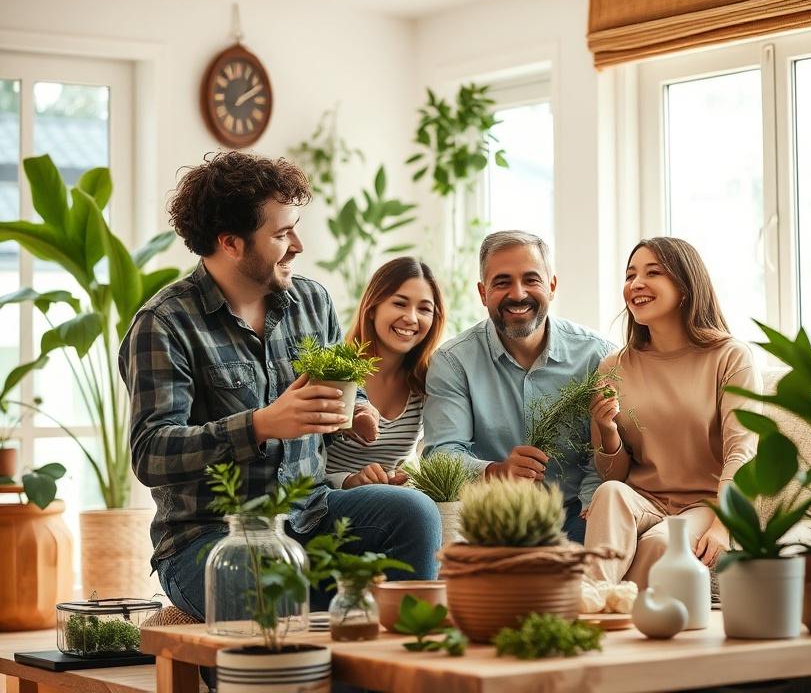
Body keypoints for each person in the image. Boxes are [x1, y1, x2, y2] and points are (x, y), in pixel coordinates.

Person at [119, 151, 441, 621]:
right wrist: (259, 425)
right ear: (231, 243)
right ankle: (316, 631)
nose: (298, 245)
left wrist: (358, 410)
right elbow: (151, 452)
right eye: (282, 234)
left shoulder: (312, 301)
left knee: (414, 512)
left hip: (312, 515)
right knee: (269, 586)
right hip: (212, 537)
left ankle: (393, 649)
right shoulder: (165, 324)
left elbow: (346, 385)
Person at [583, 237, 761, 587]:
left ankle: (593, 598)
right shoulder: (613, 366)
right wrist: (608, 431)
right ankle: (593, 601)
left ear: (685, 286)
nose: (636, 284)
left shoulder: (730, 357)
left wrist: (724, 526)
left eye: (653, 273)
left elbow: (742, 452)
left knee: (661, 545)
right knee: (609, 494)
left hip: (705, 504)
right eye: (630, 275)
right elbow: (613, 476)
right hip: (641, 499)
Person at [422, 230, 614, 543]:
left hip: (579, 515)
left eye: (531, 279)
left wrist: (592, 508)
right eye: (502, 282)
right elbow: (441, 455)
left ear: (552, 286)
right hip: (492, 521)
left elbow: (607, 452)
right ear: (483, 293)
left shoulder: (598, 355)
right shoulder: (453, 361)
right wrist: (495, 472)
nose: (518, 293)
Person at [325, 257, 446, 488]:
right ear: (372, 309)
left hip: (389, 501)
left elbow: (414, 457)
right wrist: (349, 481)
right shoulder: (336, 370)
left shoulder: (426, 381)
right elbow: (296, 462)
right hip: (325, 500)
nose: (411, 318)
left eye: (424, 309)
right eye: (400, 304)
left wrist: (404, 474)